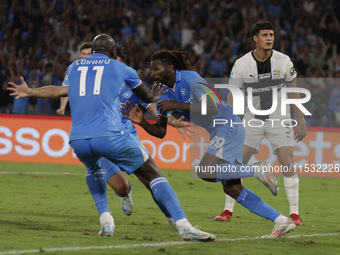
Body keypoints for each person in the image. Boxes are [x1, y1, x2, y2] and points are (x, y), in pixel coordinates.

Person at [8, 34, 215, 242]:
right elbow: (147, 98)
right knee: (152, 173)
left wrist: (30, 91)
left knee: (93, 170)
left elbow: (58, 91)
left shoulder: (75, 67)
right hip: (110, 136)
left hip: (79, 139)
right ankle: (183, 226)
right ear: (114, 52)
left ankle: (106, 221)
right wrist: (153, 96)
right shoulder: (122, 68)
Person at [121, 48, 296, 238]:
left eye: (156, 69)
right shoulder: (163, 93)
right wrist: (141, 122)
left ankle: (256, 169)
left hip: (228, 124)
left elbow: (212, 107)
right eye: (151, 70)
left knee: (205, 171)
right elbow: (161, 132)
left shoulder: (189, 78)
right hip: (220, 130)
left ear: (170, 68)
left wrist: (176, 105)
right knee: (233, 188)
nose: (152, 73)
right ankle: (281, 220)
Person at [215, 21, 305, 226]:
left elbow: (293, 90)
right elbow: (233, 96)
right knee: (235, 163)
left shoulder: (283, 61)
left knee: (286, 159)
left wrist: (301, 119)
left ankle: (294, 214)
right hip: (252, 117)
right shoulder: (242, 64)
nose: (269, 38)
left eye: (271, 34)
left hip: (279, 116)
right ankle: (228, 210)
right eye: (265, 35)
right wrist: (232, 124)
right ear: (255, 38)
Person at [56, 42, 92, 116]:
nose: (86, 57)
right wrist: (62, 107)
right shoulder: (73, 68)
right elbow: (66, 87)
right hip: (79, 108)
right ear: (80, 55)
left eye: (89, 54)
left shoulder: (102, 68)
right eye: (84, 54)